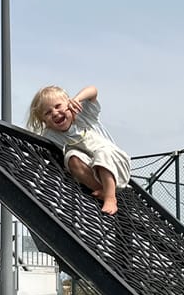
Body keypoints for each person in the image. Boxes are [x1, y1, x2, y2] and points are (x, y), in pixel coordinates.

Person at [28, 84, 130, 215]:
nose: (54, 113)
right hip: (96, 174)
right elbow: (38, 148)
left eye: (58, 106)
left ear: (69, 103)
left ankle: (110, 197)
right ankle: (101, 191)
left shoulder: (84, 116)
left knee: (102, 152)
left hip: (117, 167)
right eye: (48, 113)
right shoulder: (51, 134)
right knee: (72, 157)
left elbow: (93, 90)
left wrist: (78, 99)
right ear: (44, 121)